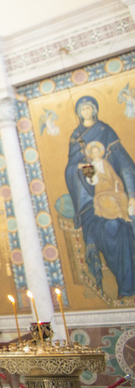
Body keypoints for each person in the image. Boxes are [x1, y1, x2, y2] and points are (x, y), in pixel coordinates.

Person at [64, 96, 135, 299]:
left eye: (89, 108)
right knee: (110, 230)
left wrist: (131, 195)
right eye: (82, 109)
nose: (86, 112)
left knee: (126, 224)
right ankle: (126, 285)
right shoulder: (76, 137)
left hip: (119, 197)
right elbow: (76, 171)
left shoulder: (106, 131)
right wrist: (82, 168)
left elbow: (125, 165)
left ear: (94, 109)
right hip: (91, 202)